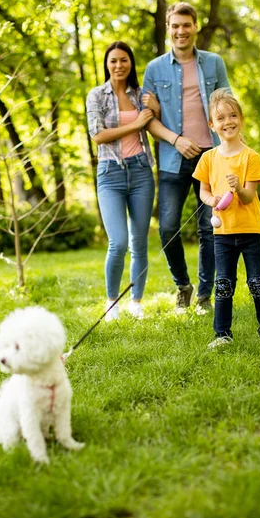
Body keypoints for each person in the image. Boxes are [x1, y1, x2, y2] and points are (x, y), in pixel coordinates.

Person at [143, 2, 231, 315]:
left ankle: (205, 296)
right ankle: (183, 286)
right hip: (172, 158)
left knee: (210, 227)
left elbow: (226, 105)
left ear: (195, 27)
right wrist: (176, 139)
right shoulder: (154, 69)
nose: (181, 31)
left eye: (186, 25)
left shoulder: (214, 63)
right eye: (175, 26)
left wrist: (231, 148)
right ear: (168, 29)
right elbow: (148, 118)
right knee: (167, 227)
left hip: (211, 156)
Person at [193, 88, 260, 348]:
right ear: (212, 124)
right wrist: (214, 201)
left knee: (257, 282)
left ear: (240, 119)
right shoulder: (208, 158)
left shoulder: (251, 157)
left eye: (232, 116)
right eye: (220, 118)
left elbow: (248, 197)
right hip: (223, 233)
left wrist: (237, 186)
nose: (227, 122)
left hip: (251, 230)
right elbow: (204, 192)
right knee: (223, 284)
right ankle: (222, 334)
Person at [86, 41, 157, 320]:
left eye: (124, 60)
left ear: (131, 63)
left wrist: (155, 108)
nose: (119, 65)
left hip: (141, 171)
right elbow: (98, 135)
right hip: (110, 173)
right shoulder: (96, 95)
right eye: (113, 60)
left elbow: (154, 122)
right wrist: (135, 124)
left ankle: (136, 302)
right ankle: (112, 301)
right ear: (107, 64)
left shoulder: (140, 95)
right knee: (118, 242)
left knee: (139, 243)